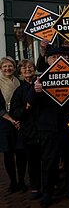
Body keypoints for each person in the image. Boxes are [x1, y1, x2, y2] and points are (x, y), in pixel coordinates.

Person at [30, 46, 69, 208]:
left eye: (61, 56)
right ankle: (47, 192)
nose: (58, 60)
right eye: (54, 57)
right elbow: (31, 103)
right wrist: (36, 91)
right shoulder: (40, 79)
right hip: (49, 128)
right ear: (47, 60)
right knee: (49, 161)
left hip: (68, 126)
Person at [9, 59, 40, 199]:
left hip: (43, 129)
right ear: (20, 71)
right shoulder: (19, 91)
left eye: (30, 67)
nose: (28, 70)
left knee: (46, 159)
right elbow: (14, 112)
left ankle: (48, 184)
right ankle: (35, 187)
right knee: (32, 160)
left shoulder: (41, 85)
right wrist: (25, 108)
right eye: (24, 68)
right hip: (28, 130)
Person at [0, 56, 26, 194]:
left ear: (14, 68)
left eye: (10, 66)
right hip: (5, 122)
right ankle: (13, 182)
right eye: (4, 66)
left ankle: (21, 181)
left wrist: (18, 119)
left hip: (19, 121)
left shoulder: (19, 82)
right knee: (8, 153)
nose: (7, 68)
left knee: (21, 152)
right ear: (1, 69)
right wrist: (11, 120)